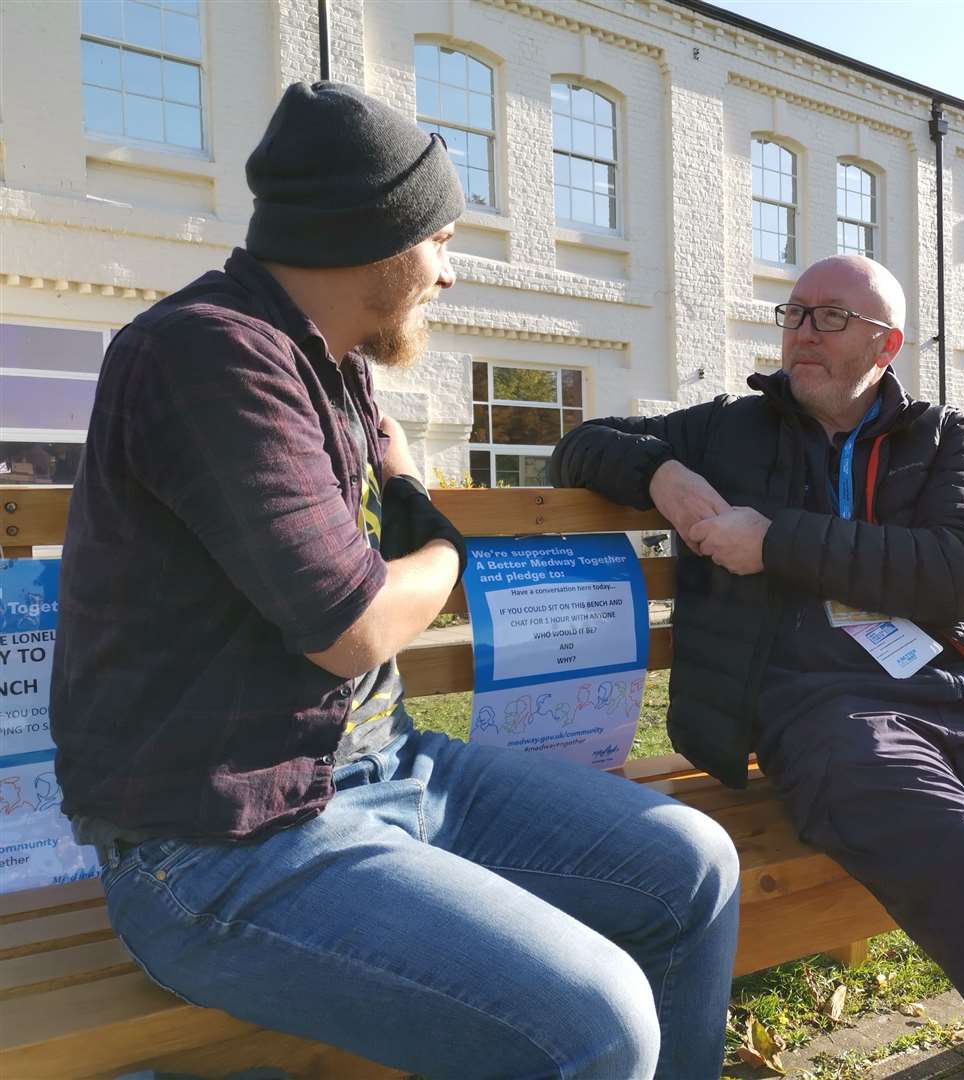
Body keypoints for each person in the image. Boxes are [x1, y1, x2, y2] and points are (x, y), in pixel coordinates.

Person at [52, 82, 739, 1080]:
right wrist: (451, 552)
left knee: (696, 868)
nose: (448, 276)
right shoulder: (207, 356)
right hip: (214, 849)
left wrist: (408, 483)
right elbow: (356, 625)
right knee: (597, 1023)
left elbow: (373, 517)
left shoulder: (325, 365)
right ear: (375, 235)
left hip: (383, 769)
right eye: (443, 240)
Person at [549, 253, 964, 1078]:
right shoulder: (724, 429)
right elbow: (578, 447)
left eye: (831, 317)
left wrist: (773, 541)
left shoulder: (945, 434)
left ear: (884, 345)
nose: (803, 330)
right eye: (795, 312)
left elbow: (957, 571)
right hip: (824, 707)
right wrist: (661, 472)